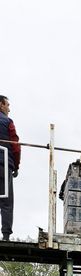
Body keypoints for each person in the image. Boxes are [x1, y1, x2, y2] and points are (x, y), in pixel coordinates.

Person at [0, 95, 20, 241]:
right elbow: (15, 146)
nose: (9, 109)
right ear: (1, 105)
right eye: (7, 105)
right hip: (4, 164)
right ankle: (6, 236)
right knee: (6, 201)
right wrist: (16, 165)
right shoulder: (8, 122)